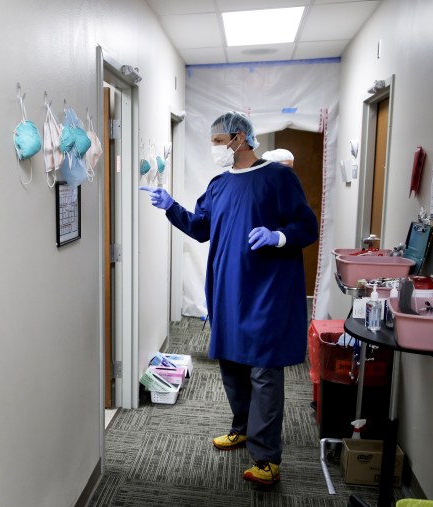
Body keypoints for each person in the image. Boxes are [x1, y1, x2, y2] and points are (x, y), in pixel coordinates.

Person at [140, 111, 318, 487]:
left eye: (218, 141)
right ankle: (242, 428)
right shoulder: (219, 184)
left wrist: (278, 236)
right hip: (227, 290)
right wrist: (171, 205)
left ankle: (267, 457)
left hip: (266, 291)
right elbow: (201, 228)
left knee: (264, 373)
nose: (214, 149)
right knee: (232, 366)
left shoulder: (278, 178)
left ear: (240, 138)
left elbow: (307, 226)